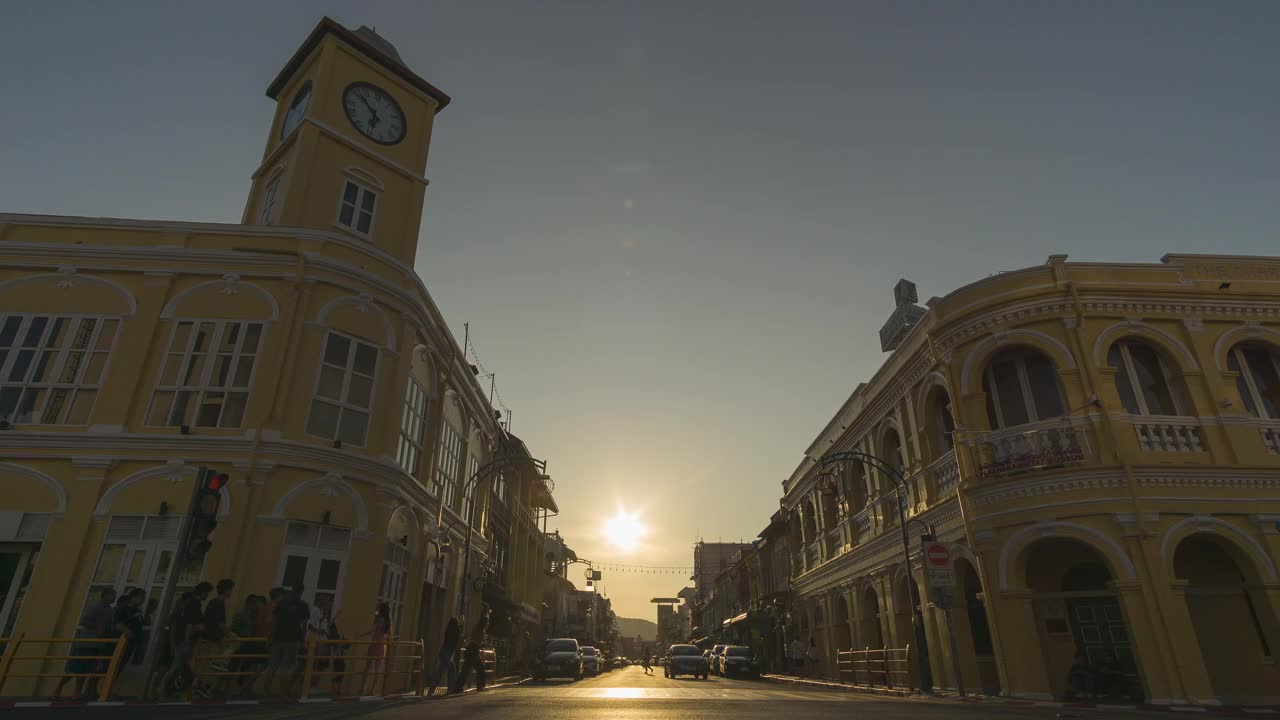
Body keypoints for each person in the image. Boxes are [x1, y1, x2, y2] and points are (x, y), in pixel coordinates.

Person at [54, 588, 117, 700]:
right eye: (113, 595)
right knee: (76, 668)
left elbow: (109, 626)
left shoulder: (110, 610)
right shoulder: (95, 607)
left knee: (89, 668)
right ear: (105, 595)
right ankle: (64, 690)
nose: (114, 597)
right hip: (86, 643)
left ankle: (83, 692)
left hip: (98, 644)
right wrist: (96, 627)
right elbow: (84, 621)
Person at [160, 581, 213, 699]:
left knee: (183, 668)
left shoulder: (191, 603)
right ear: (203, 592)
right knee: (176, 667)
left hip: (184, 640)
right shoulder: (195, 603)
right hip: (185, 641)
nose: (207, 596)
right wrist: (187, 639)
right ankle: (163, 691)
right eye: (207, 593)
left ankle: (178, 690)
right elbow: (189, 624)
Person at [262, 586, 309, 699]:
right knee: (286, 667)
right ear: (301, 592)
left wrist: (270, 638)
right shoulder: (302, 605)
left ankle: (266, 691)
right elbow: (304, 625)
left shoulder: (282, 604)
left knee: (272, 666)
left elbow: (274, 622)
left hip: (278, 638)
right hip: (293, 639)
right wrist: (302, 641)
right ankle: (283, 693)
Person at [229, 594, 263, 696]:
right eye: (255, 603)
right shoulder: (241, 614)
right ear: (250, 603)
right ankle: (227, 687)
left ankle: (243, 688)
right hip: (240, 643)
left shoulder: (253, 615)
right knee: (233, 666)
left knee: (247, 667)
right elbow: (233, 628)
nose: (257, 605)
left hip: (249, 644)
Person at [450, 609, 489, 694]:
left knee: (470, 670)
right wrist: (483, 645)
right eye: (487, 622)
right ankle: (458, 688)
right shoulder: (479, 630)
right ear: (484, 623)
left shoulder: (478, 629)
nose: (488, 624)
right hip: (473, 650)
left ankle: (459, 688)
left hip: (473, 650)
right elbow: (476, 641)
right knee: (472, 669)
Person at [360, 602, 393, 696]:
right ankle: (372, 690)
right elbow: (389, 635)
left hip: (374, 643)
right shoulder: (388, 622)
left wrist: (362, 634)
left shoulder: (378, 619)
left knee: (367, 667)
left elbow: (373, 630)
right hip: (382, 645)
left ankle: (363, 688)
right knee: (377, 669)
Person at [426, 617, 460, 697]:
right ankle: (450, 689)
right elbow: (456, 640)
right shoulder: (454, 631)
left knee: (440, 672)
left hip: (444, 652)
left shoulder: (449, 630)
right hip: (447, 653)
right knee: (451, 669)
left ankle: (431, 690)